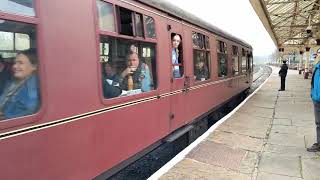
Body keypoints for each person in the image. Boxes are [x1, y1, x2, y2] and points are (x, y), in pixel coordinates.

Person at [0, 49, 39, 120]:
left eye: (20, 63)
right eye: (14, 63)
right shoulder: (13, 81)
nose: (14, 66)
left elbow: (27, 111)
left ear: (34, 66)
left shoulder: (32, 88)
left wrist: (4, 117)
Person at [307, 61, 320, 152]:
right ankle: (319, 143)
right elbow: (313, 82)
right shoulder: (317, 66)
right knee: (318, 123)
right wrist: (312, 94)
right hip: (316, 99)